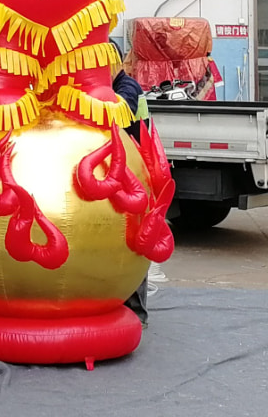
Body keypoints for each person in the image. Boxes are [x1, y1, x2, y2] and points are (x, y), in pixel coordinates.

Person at [111, 41, 151, 325]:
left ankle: (137, 311)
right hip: (121, 173)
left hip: (136, 174)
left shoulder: (127, 88)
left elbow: (118, 113)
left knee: (135, 241)